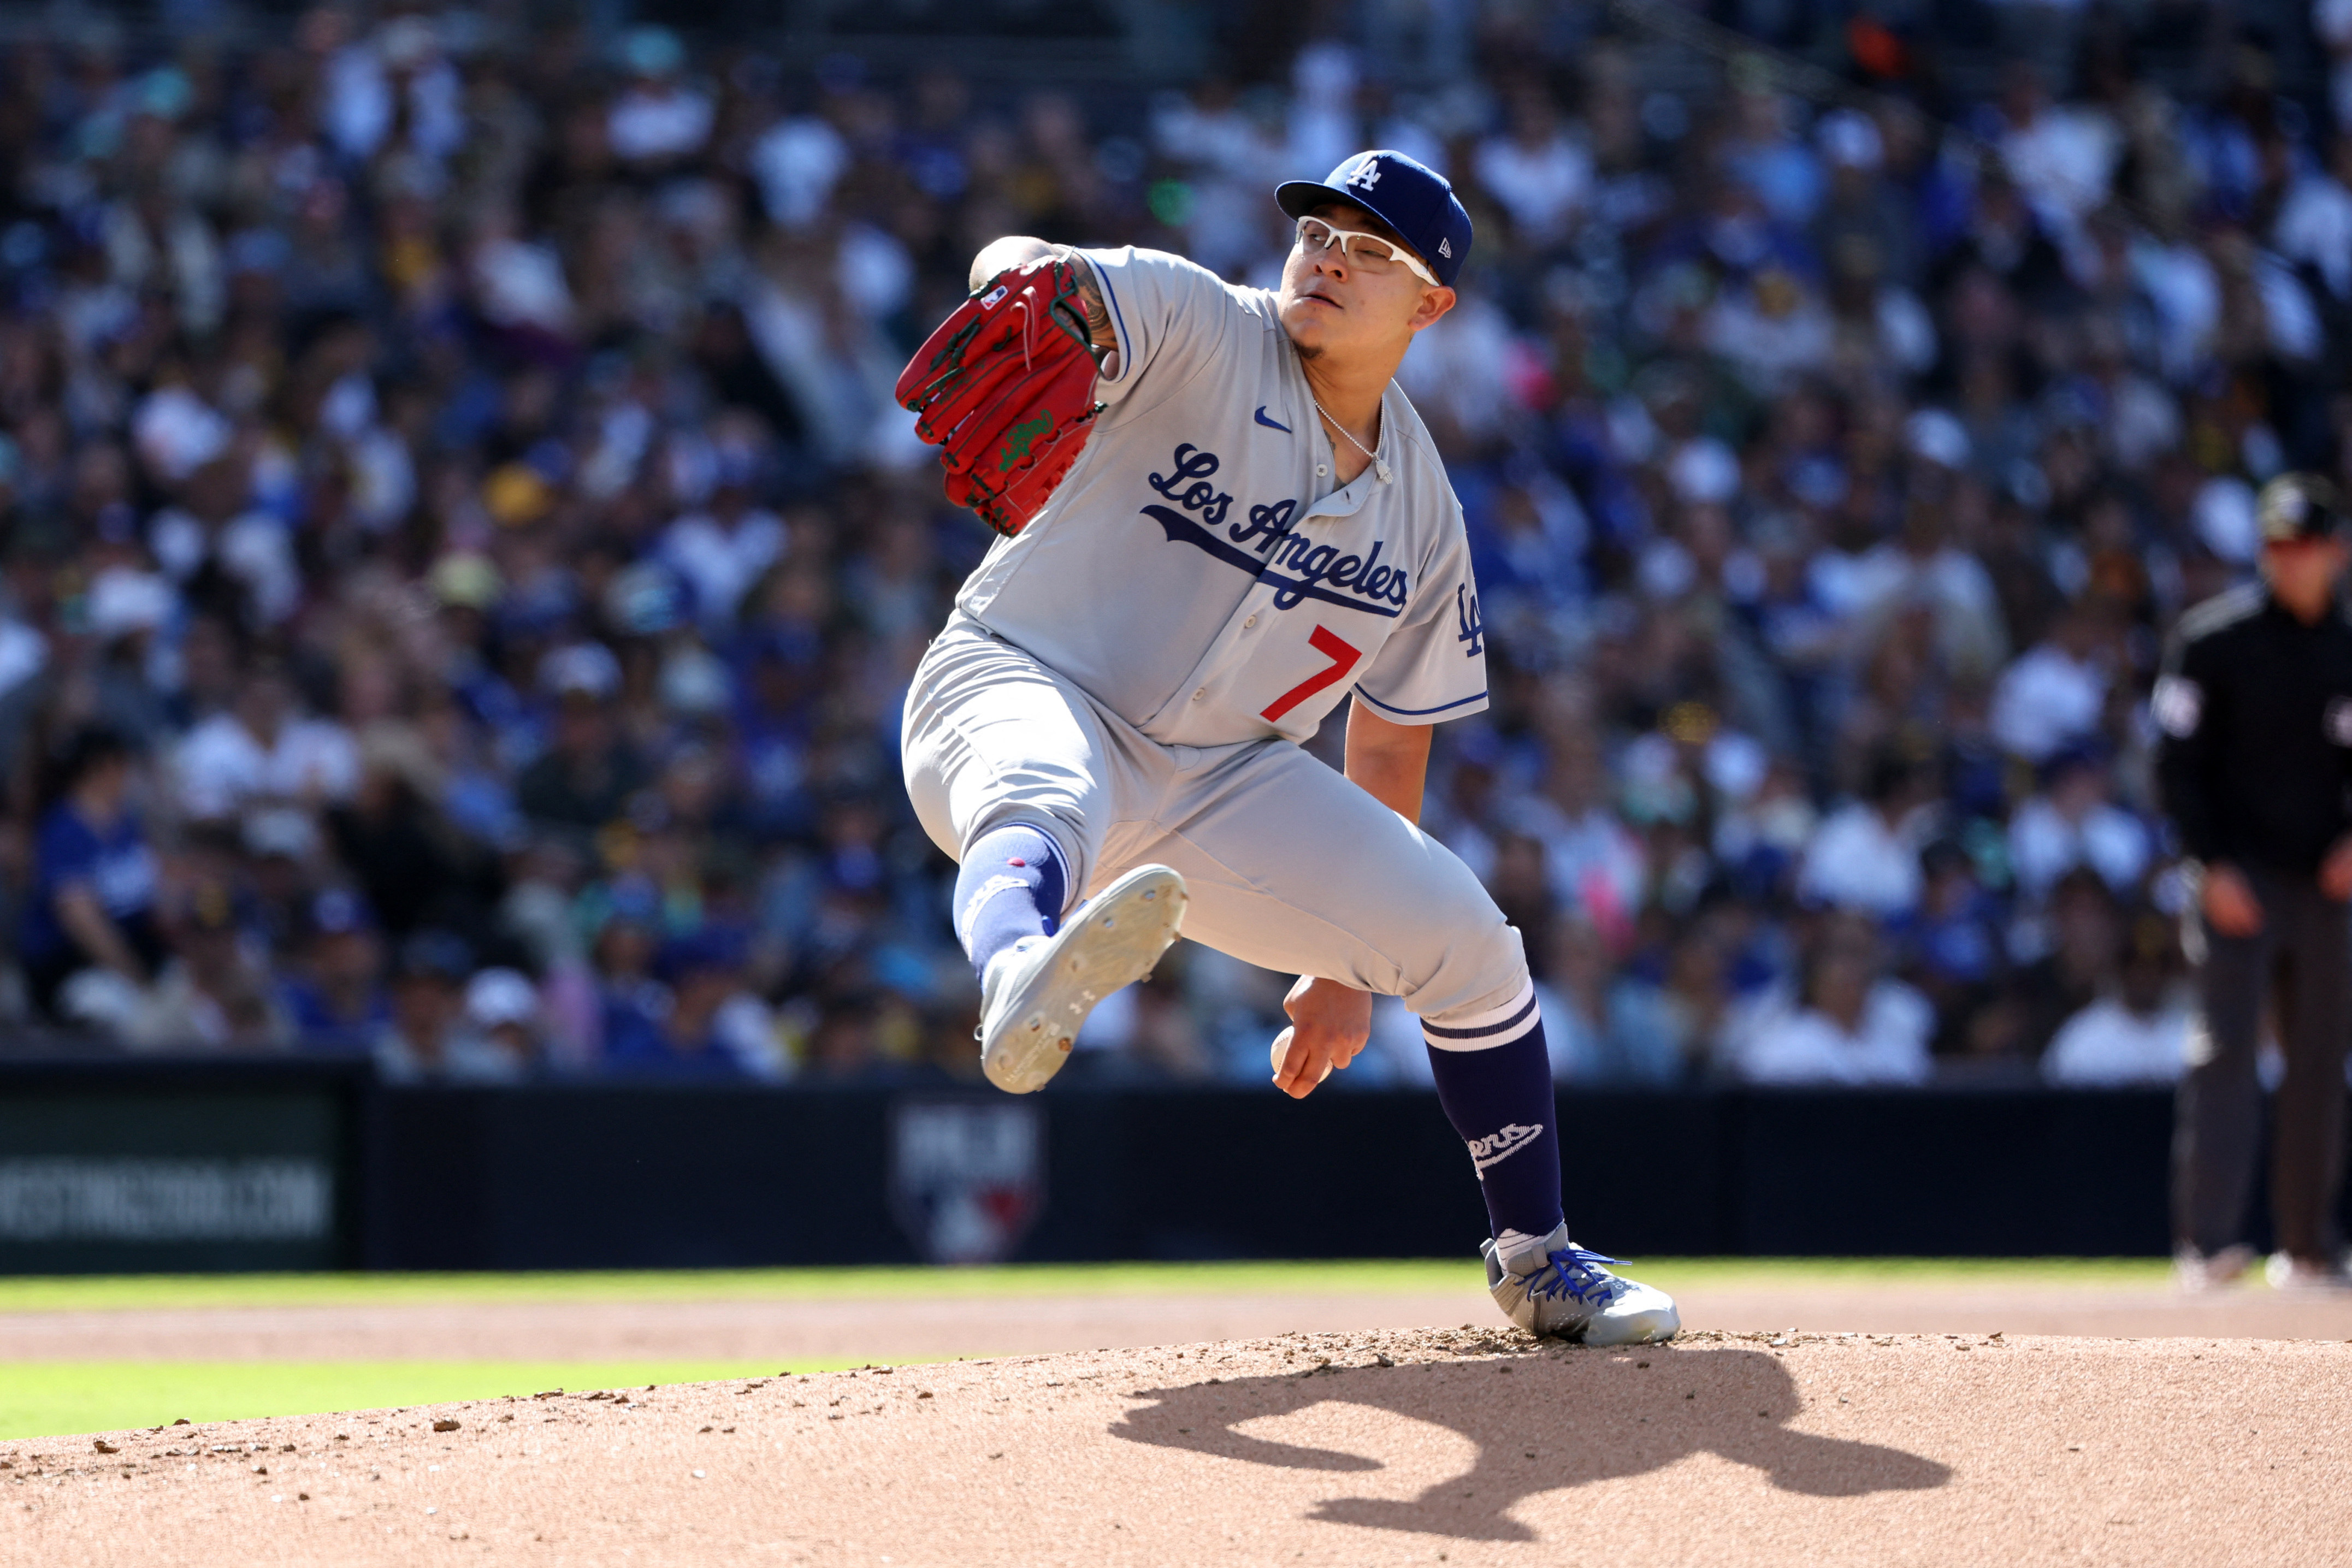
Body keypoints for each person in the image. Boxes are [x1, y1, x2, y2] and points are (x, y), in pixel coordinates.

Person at [898, 150, 1677, 1344]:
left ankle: (1538, 1259)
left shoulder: (1422, 512)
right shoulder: (1201, 323)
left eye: (1370, 251)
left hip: (1219, 782)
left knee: (1467, 941)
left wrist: (1346, 961)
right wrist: (1025, 279)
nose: (1327, 256)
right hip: (1020, 672)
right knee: (1042, 781)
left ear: (1430, 307)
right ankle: (1016, 975)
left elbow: (1390, 744)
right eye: (1318, 231)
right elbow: (1031, 272)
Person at [2154, 473, 2352, 1293]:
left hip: (2326, 883)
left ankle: (2307, 1246)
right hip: (2237, 880)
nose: (2289, 560)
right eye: (2275, 545)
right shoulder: (2211, 641)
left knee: (2319, 1059)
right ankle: (2207, 1245)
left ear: (2335, 551)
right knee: (2223, 1055)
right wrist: (2209, 861)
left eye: (2303, 545)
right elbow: (2173, 764)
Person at [19, 727, 165, 1021]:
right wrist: (140, 981)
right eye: (125, 764)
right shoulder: (64, 829)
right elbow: (83, 922)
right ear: (103, 767)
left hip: (134, 952)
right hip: (74, 966)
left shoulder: (126, 822)